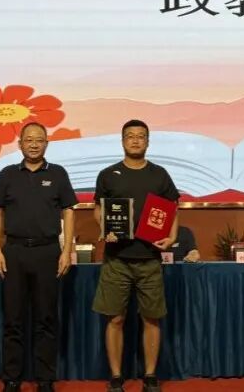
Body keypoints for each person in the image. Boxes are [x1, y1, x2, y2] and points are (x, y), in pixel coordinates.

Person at [0, 122, 78, 392]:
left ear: (47, 143)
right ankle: (12, 378)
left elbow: (69, 211)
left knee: (46, 319)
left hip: (47, 251)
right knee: (13, 319)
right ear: (20, 144)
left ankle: (45, 379)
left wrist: (66, 251)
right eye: (29, 140)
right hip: (14, 252)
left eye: (39, 140)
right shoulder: (7, 174)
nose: (34, 144)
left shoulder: (58, 174)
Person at [92, 119, 180, 392]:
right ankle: (116, 376)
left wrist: (172, 236)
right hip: (116, 259)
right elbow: (98, 209)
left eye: (140, 136)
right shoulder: (108, 174)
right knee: (115, 319)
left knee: (151, 319)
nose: (135, 140)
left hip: (150, 258)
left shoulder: (159, 175)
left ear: (147, 141)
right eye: (130, 136)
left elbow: (172, 208)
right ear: (122, 141)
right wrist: (105, 228)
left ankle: (150, 376)